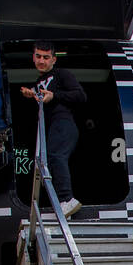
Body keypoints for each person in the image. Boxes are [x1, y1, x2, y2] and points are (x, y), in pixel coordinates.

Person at [20, 40, 86, 218]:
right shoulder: (39, 81)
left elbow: (80, 95)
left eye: (46, 57)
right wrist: (32, 93)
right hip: (50, 126)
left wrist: (55, 96)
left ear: (54, 60)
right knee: (48, 160)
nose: (42, 61)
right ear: (33, 57)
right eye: (38, 56)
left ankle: (67, 200)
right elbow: (44, 95)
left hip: (64, 123)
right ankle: (64, 205)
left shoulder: (62, 74)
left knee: (56, 156)